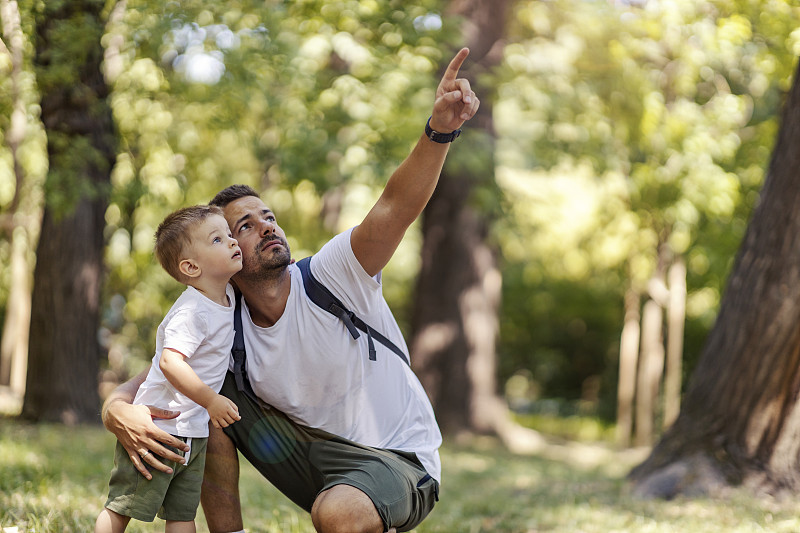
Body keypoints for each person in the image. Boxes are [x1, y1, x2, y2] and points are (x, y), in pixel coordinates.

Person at [101, 47, 480, 533]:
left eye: (269, 217)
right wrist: (117, 414)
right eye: (243, 226)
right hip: (308, 460)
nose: (266, 227)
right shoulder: (221, 318)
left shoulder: (334, 274)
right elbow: (151, 379)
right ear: (223, 254)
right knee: (206, 391)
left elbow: (396, 205)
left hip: (397, 459)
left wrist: (440, 129)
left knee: (338, 512)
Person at [95, 205, 243, 533]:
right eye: (218, 239)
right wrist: (210, 400)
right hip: (159, 427)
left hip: (194, 432)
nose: (233, 242)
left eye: (230, 235)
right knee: (123, 505)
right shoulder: (192, 311)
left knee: (182, 513)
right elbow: (169, 361)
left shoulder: (227, 294)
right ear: (190, 267)